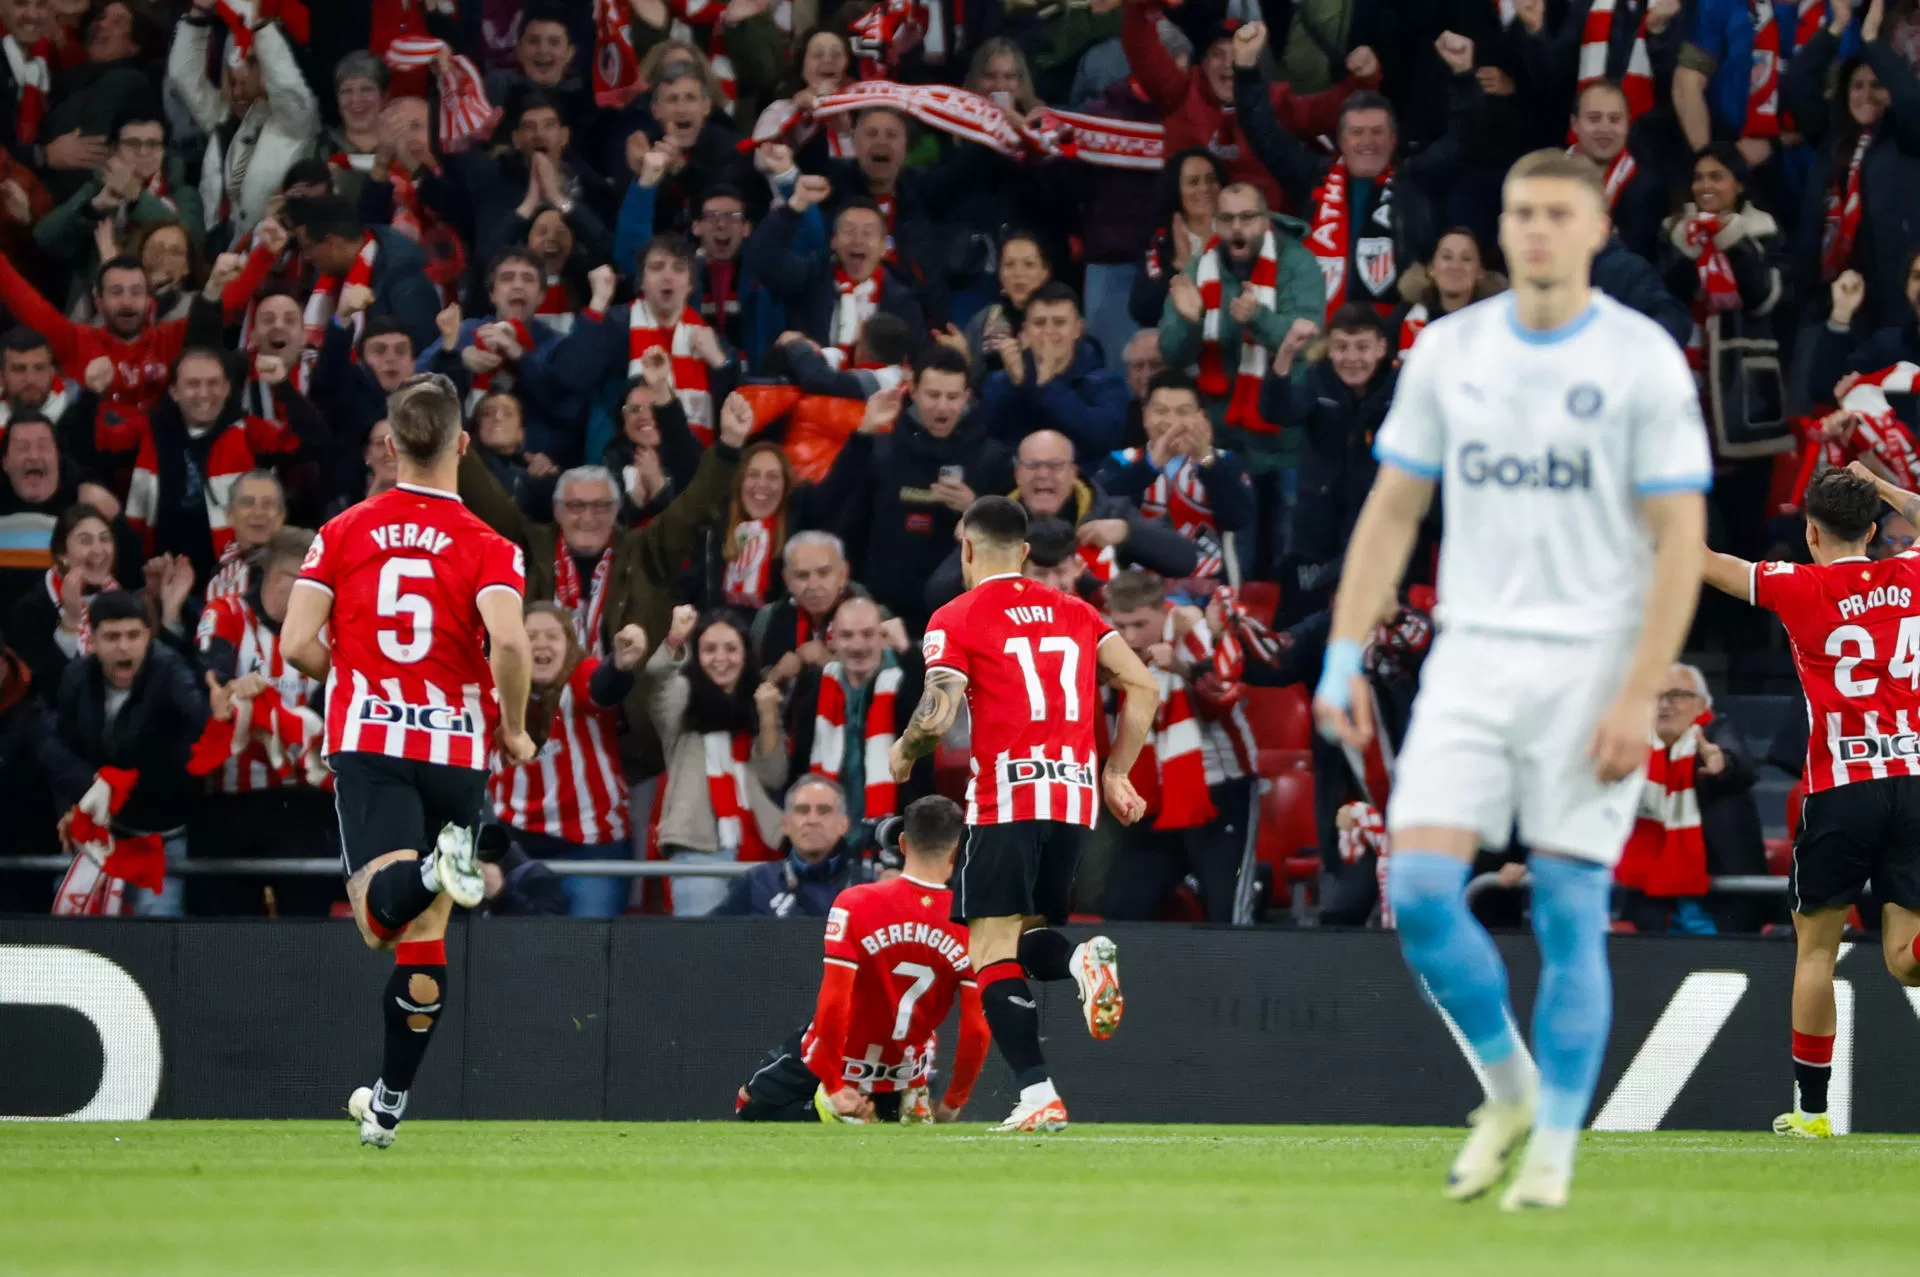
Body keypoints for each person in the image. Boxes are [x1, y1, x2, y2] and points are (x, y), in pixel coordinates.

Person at [1313, 150, 1710, 1209]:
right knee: (1419, 893)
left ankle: (1556, 1149)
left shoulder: (1642, 359)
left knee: (1571, 910)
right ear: (1501, 226)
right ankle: (1510, 1088)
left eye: (1557, 213)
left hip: (1593, 661)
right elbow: (1393, 509)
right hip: (1472, 656)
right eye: (1520, 211)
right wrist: (1344, 653)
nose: (1536, 228)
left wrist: (1640, 689)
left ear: (1597, 229)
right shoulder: (1450, 351)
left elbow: (1680, 539)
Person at [279, 373, 534, 1150]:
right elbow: (511, 640)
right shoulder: (491, 545)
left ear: (390, 445)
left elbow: (295, 642)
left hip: (375, 740)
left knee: (378, 920)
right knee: (424, 937)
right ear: (463, 444)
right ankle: (388, 1105)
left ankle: (433, 865)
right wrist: (515, 728)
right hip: (457, 747)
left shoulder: (343, 531)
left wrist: (353, 676)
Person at [887, 495, 1161, 1133]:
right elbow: (1142, 686)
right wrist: (1115, 771)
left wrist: (902, 752)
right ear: (1027, 552)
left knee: (986, 951)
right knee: (1017, 942)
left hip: (1008, 796)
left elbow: (937, 714)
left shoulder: (956, 616)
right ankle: (1077, 965)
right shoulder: (1078, 611)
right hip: (1074, 800)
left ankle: (1038, 1095)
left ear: (966, 548)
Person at [1700, 463, 1920, 1139]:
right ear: (1877, 530)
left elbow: (1699, 559)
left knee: (1817, 952)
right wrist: (1884, 486)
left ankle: (1814, 1113)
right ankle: (1814, 1111)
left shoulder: (1798, 584)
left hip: (1841, 789)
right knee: (1906, 957)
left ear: (1812, 533)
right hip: (1915, 780)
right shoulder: (1911, 573)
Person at [734, 795, 990, 1124]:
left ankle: (832, 1114)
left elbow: (833, 1001)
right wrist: (955, 1100)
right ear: (960, 850)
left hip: (839, 1059)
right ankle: (899, 1105)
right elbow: (976, 1029)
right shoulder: (971, 922)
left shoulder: (856, 902)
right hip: (903, 1071)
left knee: (749, 1107)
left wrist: (834, 1084)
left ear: (902, 843)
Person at [190, 525, 336, 917]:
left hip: (301, 802)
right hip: (230, 801)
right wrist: (227, 686)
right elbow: (211, 671)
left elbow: (329, 708)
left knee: (306, 924)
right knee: (225, 929)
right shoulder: (227, 612)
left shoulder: (328, 632)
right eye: (311, 583)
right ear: (279, 578)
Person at [55, 587, 215, 917]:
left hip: (161, 834)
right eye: (112, 637)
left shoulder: (172, 673)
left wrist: (117, 785)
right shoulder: (75, 678)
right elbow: (63, 749)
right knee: (73, 922)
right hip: (98, 828)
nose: (124, 646)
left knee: (158, 926)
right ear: (92, 640)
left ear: (148, 636)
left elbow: (199, 723)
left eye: (133, 635)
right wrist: (76, 802)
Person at [491, 603, 649, 919]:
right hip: (517, 847)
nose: (541, 644)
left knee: (583, 944)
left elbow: (601, 687)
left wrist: (619, 665)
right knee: (515, 944)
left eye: (552, 636)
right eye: (530, 636)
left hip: (591, 847)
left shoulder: (579, 676)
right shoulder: (496, 687)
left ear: (569, 646)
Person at [645, 602, 787, 915]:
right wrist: (674, 640)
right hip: (697, 848)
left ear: (746, 654)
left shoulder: (761, 702)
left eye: (731, 649)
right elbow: (658, 678)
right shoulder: (681, 698)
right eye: (709, 649)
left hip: (757, 846)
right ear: (696, 654)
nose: (720, 658)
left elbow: (774, 775)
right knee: (705, 944)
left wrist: (767, 717)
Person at [1613, 661, 1765, 936]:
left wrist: (1723, 763)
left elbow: (1741, 765)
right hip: (1654, 902)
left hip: (1719, 899)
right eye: (1656, 696)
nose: (1664, 705)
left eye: (1676, 696)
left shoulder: (1717, 732)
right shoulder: (1636, 747)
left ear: (1702, 705)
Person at [787, 593, 927, 833]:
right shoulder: (817, 686)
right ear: (832, 640)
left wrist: (906, 649)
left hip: (894, 828)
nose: (857, 646)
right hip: (829, 831)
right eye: (847, 636)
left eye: (867, 634)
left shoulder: (905, 682)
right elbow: (800, 758)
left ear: (883, 637)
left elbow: (928, 708)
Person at [978, 282, 1129, 462]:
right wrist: (1016, 386)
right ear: (1025, 330)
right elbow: (988, 434)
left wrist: (1048, 387)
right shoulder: (1000, 382)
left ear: (1078, 329)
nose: (1048, 331)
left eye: (1059, 322)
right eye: (1039, 323)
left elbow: (1101, 438)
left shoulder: (1107, 384)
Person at [710, 774, 859, 917]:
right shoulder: (756, 882)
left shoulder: (866, 883)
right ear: (786, 824)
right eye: (802, 810)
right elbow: (710, 932)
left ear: (843, 825)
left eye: (824, 811)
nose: (812, 820)